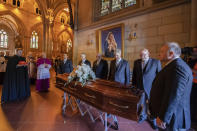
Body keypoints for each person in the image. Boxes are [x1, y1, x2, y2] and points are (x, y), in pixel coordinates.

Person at [149, 42, 193, 131]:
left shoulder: (177, 67)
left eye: (162, 51)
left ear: (171, 54)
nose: (159, 54)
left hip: (172, 118)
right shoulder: (173, 65)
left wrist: (163, 117)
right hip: (170, 116)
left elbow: (173, 95)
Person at [132, 49, 161, 129]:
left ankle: (153, 121)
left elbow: (159, 77)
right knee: (142, 104)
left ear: (148, 54)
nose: (142, 56)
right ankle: (143, 116)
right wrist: (134, 87)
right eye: (141, 55)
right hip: (140, 88)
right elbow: (134, 75)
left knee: (152, 105)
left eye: (144, 54)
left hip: (151, 88)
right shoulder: (136, 62)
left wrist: (158, 88)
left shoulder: (156, 62)